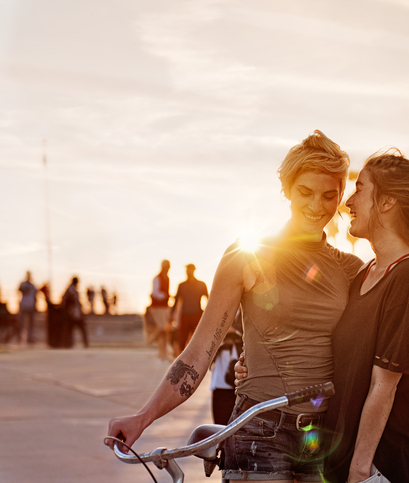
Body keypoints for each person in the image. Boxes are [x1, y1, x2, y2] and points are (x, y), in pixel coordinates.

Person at [107, 130, 366, 483]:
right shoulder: (248, 256)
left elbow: (373, 346)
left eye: (329, 195)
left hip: (325, 434)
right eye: (305, 192)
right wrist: (143, 417)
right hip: (260, 430)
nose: (316, 205)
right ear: (287, 191)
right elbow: (199, 352)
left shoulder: (351, 269)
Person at [322, 150, 409, 483]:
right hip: (351, 457)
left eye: (360, 188)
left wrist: (359, 469)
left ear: (387, 203)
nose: (348, 201)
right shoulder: (365, 273)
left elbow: (384, 385)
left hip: (388, 464)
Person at [170, 263, 209, 353]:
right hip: (184, 315)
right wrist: (171, 315)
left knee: (198, 339)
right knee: (182, 339)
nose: (188, 272)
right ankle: (180, 360)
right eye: (187, 270)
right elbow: (176, 300)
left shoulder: (201, 284)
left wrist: (207, 314)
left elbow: (208, 299)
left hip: (198, 315)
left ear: (194, 270)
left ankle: (198, 357)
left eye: (190, 270)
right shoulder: (182, 285)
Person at [144, 260, 172, 360]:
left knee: (164, 330)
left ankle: (162, 352)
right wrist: (166, 296)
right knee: (162, 329)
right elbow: (154, 293)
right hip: (157, 307)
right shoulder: (157, 278)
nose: (168, 268)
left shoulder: (167, 278)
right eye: (166, 266)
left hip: (164, 307)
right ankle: (151, 341)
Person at [62, 276, 89, 348]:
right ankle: (66, 344)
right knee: (70, 329)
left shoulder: (72, 290)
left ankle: (67, 344)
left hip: (75, 314)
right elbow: (68, 301)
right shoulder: (70, 290)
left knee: (70, 330)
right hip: (72, 314)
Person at [17, 271, 38, 345]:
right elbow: (19, 290)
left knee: (31, 324)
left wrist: (35, 305)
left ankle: (30, 338)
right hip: (24, 305)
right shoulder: (23, 284)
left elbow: (35, 296)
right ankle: (20, 337)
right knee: (22, 322)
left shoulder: (33, 286)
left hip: (31, 306)